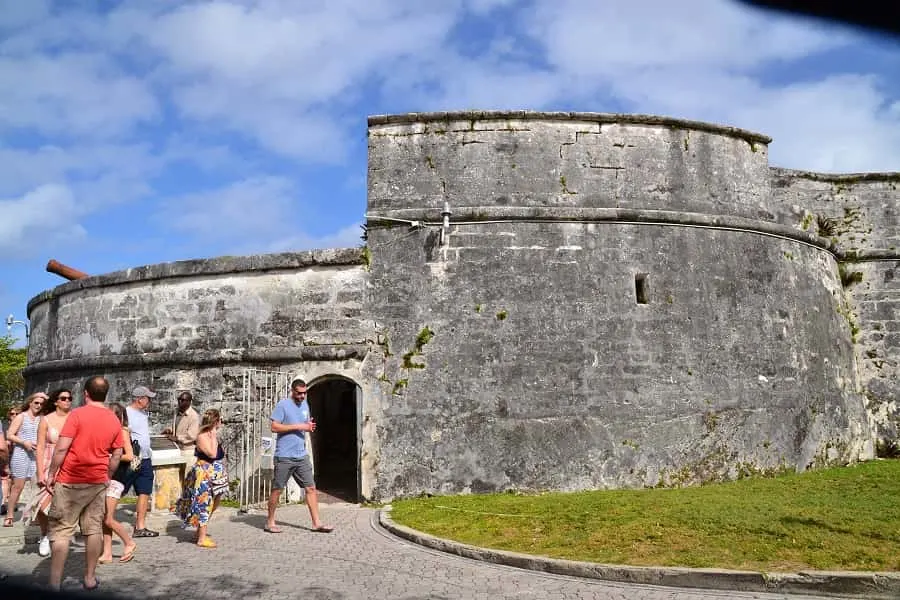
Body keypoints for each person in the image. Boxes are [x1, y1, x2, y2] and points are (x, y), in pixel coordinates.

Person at [45, 376, 124, 592]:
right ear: (105, 394)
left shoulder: (76, 415)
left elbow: (61, 448)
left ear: (86, 393)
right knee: (93, 529)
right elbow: (117, 453)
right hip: (97, 481)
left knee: (61, 531)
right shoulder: (113, 419)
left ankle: (54, 582)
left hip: (70, 480)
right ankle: (89, 577)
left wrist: (51, 473)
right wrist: (107, 474)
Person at [265, 379, 332, 534]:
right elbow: (274, 427)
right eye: (299, 393)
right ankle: (270, 522)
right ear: (292, 391)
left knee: (311, 488)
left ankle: (317, 523)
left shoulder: (305, 405)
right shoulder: (283, 405)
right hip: (284, 456)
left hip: (301, 456)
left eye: (304, 393)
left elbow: (305, 424)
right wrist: (299, 426)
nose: (302, 396)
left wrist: (308, 426)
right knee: (277, 489)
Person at [176, 409, 228, 548]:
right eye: (219, 420)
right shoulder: (203, 435)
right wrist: (213, 435)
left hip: (216, 472)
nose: (221, 423)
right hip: (204, 472)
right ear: (215, 421)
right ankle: (201, 537)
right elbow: (211, 453)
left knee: (215, 502)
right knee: (204, 503)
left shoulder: (212, 435)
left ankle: (199, 531)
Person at [32, 388, 73, 556]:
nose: (67, 401)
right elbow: (40, 446)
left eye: (70, 398)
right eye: (63, 398)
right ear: (56, 401)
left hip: (68, 464)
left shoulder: (74, 418)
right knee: (41, 505)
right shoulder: (46, 420)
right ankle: (45, 534)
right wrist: (40, 472)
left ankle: (58, 536)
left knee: (62, 504)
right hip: (48, 463)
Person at [99, 403, 137, 564]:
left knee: (108, 518)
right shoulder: (108, 431)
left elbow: (129, 456)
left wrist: (109, 456)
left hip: (118, 477)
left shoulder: (122, 431)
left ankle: (129, 542)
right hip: (107, 476)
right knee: (104, 517)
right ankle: (107, 553)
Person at [4, 392, 47, 527]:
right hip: (21, 454)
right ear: (30, 403)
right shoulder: (21, 417)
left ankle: (34, 515)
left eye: (41, 404)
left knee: (37, 487)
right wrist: (24, 442)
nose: (39, 405)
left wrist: (45, 397)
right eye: (36, 403)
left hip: (36, 456)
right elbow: (9, 434)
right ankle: (10, 514)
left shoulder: (43, 418)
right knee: (18, 487)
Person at [123, 385, 158, 538]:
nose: (149, 401)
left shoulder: (144, 414)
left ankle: (140, 526)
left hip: (145, 458)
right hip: (133, 457)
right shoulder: (126, 413)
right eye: (147, 398)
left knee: (144, 491)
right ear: (140, 399)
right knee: (120, 489)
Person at [162, 391, 200, 475]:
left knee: (186, 477)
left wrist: (177, 438)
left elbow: (192, 436)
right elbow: (176, 426)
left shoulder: (194, 416)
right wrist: (169, 430)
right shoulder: (176, 412)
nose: (180, 402)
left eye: (183, 400)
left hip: (187, 451)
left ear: (189, 402)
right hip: (176, 449)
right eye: (179, 399)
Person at [0, 405, 19, 516]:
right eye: (12, 414)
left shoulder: (22, 425)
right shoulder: (5, 425)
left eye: (16, 413)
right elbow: (3, 444)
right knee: (5, 477)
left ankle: (11, 502)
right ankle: (3, 503)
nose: (14, 416)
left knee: (14, 479)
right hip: (6, 454)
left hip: (16, 454)